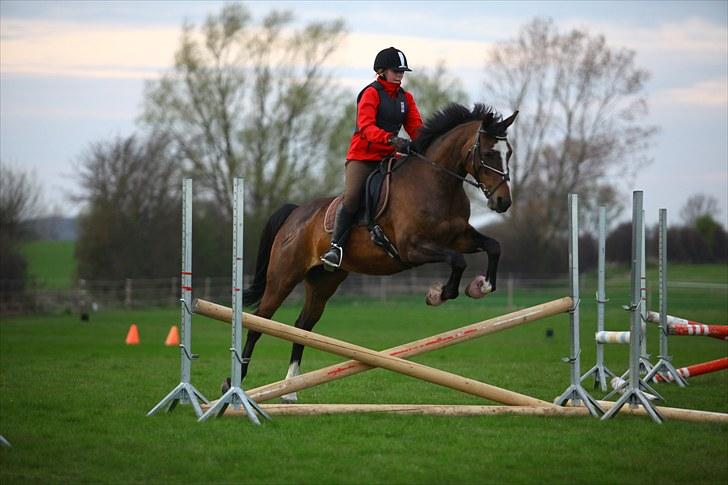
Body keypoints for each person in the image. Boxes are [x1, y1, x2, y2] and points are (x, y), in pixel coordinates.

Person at [320, 47, 424, 271]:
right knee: (353, 196)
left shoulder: (406, 98)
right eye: (395, 71)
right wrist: (390, 139)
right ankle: (335, 247)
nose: (399, 75)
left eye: (402, 72)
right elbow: (366, 127)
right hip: (363, 157)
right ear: (382, 71)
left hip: (389, 157)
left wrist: (425, 145)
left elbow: (416, 127)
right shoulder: (371, 93)